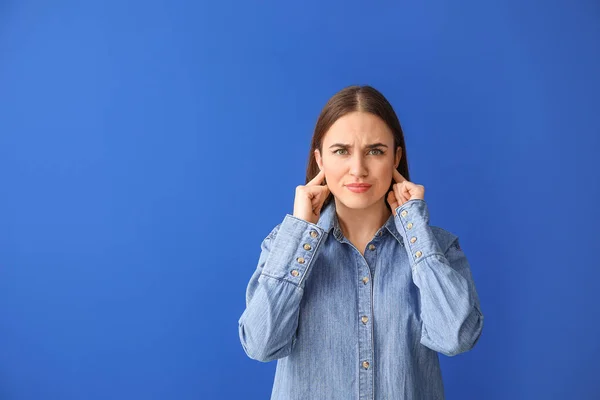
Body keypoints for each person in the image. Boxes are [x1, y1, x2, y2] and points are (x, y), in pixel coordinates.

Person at [238, 85, 484, 400]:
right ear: (320, 159)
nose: (358, 169)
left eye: (375, 151)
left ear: (396, 157)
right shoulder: (283, 247)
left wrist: (416, 231)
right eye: (341, 151)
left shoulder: (436, 246)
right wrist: (300, 232)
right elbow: (259, 344)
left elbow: (458, 337)